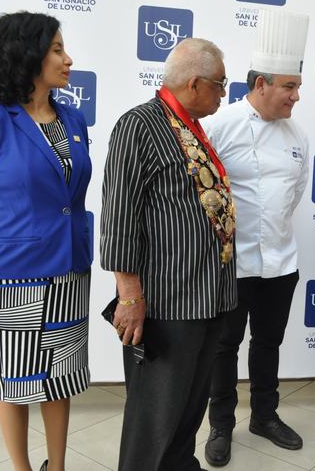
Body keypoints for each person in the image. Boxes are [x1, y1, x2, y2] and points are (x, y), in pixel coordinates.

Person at [0, 12, 92, 471]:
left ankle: (58, 466)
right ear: (27, 54)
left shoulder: (73, 118)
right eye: (57, 49)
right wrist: (10, 241)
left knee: (61, 378)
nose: (68, 60)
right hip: (15, 277)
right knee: (15, 380)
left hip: (71, 268)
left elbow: (71, 193)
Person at [100, 38, 237, 471]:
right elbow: (120, 217)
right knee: (154, 418)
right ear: (194, 83)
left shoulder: (191, 128)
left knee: (188, 411)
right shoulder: (139, 125)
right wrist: (129, 297)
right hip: (167, 303)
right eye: (220, 84)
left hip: (209, 297)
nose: (223, 93)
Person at [201, 9, 310, 466]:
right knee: (224, 347)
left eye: (298, 87)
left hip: (281, 263)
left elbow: (294, 193)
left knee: (268, 344)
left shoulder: (298, 135)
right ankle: (221, 425)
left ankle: (265, 416)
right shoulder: (217, 126)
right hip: (231, 263)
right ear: (261, 84)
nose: (296, 96)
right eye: (289, 87)